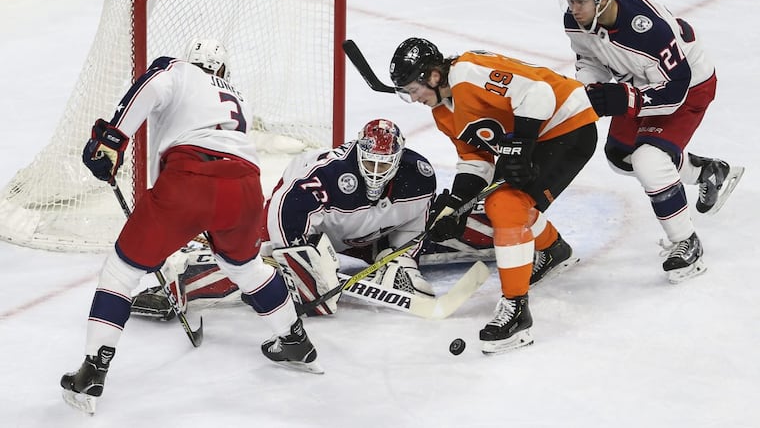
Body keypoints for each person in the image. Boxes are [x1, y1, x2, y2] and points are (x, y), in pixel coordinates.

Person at [61, 38, 322, 415]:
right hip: (245, 187)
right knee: (247, 267)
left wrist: (111, 140)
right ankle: (294, 339)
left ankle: (93, 369)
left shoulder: (178, 70)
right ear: (224, 72)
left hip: (190, 179)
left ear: (192, 60)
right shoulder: (237, 97)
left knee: (121, 272)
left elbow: (151, 86)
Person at [387, 37, 598, 353]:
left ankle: (516, 312)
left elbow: (538, 92)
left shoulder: (468, 72)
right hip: (540, 138)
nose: (414, 98)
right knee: (497, 207)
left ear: (432, 75)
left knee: (505, 204)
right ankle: (553, 250)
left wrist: (522, 147)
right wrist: (456, 205)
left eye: (414, 89)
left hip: (568, 124)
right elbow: (475, 159)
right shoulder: (443, 113)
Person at [131, 118, 439, 319]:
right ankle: (184, 275)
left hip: (360, 234)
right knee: (267, 270)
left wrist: (402, 254)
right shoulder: (329, 174)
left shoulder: (420, 176)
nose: (374, 173)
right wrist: (295, 259)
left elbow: (413, 223)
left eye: (383, 165)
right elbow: (283, 208)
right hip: (303, 226)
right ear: (358, 153)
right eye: (369, 163)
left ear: (398, 160)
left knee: (401, 260)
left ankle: (391, 266)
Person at [558, 0, 744, 283]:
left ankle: (686, 241)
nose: (574, 7)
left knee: (648, 159)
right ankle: (707, 171)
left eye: (581, 0)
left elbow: (677, 88)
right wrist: (591, 87)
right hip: (642, 82)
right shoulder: (576, 20)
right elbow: (589, 58)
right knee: (620, 156)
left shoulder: (647, 28)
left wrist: (627, 99)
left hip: (689, 87)